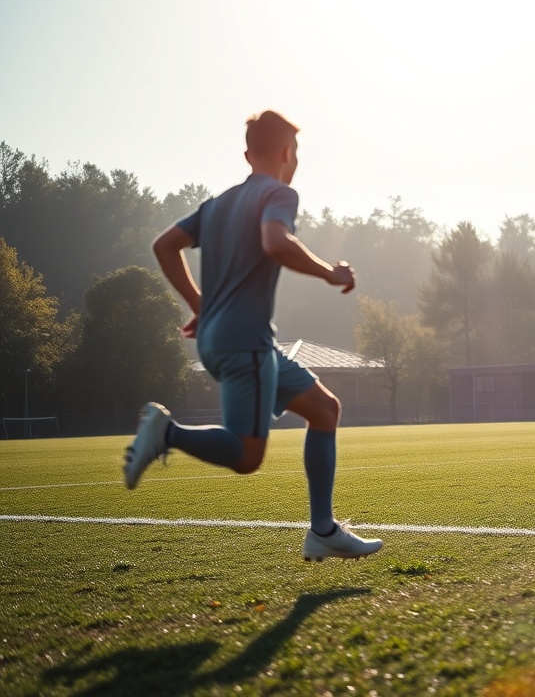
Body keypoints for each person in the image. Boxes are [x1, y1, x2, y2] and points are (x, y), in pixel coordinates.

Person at [124, 110, 382, 561]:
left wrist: (200, 303)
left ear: (248, 154)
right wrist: (330, 273)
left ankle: (322, 530)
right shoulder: (280, 193)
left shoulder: (218, 204)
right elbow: (275, 243)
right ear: (288, 153)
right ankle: (168, 434)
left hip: (228, 339)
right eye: (296, 152)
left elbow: (164, 245)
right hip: (246, 340)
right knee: (246, 456)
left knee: (324, 409)